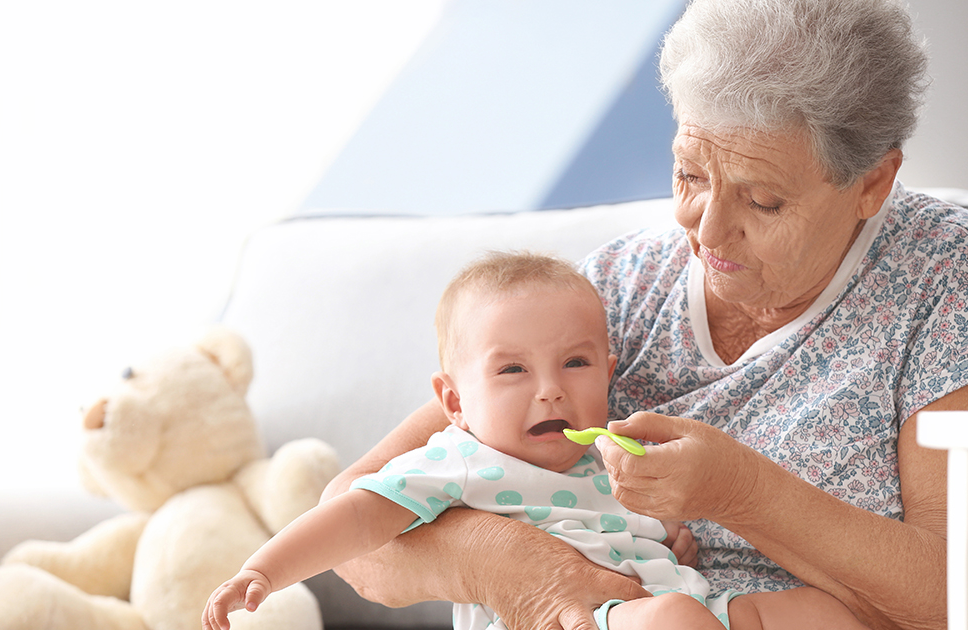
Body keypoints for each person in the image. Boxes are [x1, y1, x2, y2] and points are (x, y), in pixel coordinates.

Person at [319, 1, 968, 629]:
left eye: (763, 201)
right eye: (690, 175)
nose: (704, 231)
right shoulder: (615, 287)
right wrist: (516, 568)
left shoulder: (953, 278)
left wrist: (741, 492)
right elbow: (350, 529)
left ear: (873, 183)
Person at [203, 252, 868, 630]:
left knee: (820, 614)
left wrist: (668, 533)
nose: (550, 390)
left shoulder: (612, 452)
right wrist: (264, 569)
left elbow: (656, 537)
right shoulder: (458, 461)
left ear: (609, 373)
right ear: (455, 403)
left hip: (681, 603)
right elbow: (353, 513)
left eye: (575, 365)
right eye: (513, 370)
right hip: (577, 623)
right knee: (672, 621)